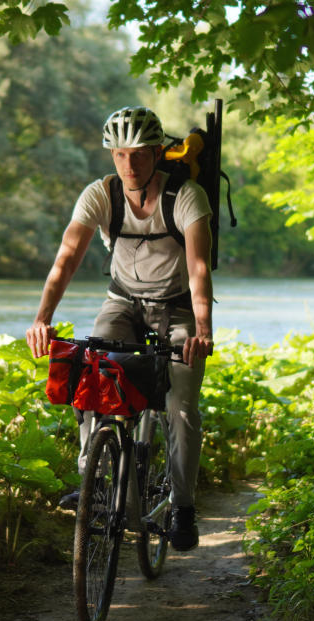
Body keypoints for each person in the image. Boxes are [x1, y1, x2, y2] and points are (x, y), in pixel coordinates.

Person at [25, 106, 214, 551]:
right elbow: (66, 259)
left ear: (156, 154)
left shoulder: (185, 196)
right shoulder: (100, 196)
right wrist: (42, 318)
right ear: (112, 156)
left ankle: (183, 506)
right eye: (120, 155)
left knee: (181, 403)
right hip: (122, 303)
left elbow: (199, 269)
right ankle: (93, 482)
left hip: (177, 308)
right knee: (91, 374)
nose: (129, 165)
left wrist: (202, 329)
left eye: (140, 156)